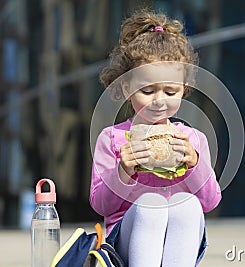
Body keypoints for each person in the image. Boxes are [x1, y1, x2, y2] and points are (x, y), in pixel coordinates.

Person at [90, 10, 221, 267]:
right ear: (127, 88)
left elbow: (210, 202)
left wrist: (194, 164)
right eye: (147, 91)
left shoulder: (193, 140)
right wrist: (123, 171)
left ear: (184, 89)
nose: (159, 100)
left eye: (170, 91)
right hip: (126, 238)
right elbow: (100, 205)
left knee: (188, 204)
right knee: (151, 203)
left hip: (180, 234)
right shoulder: (112, 138)